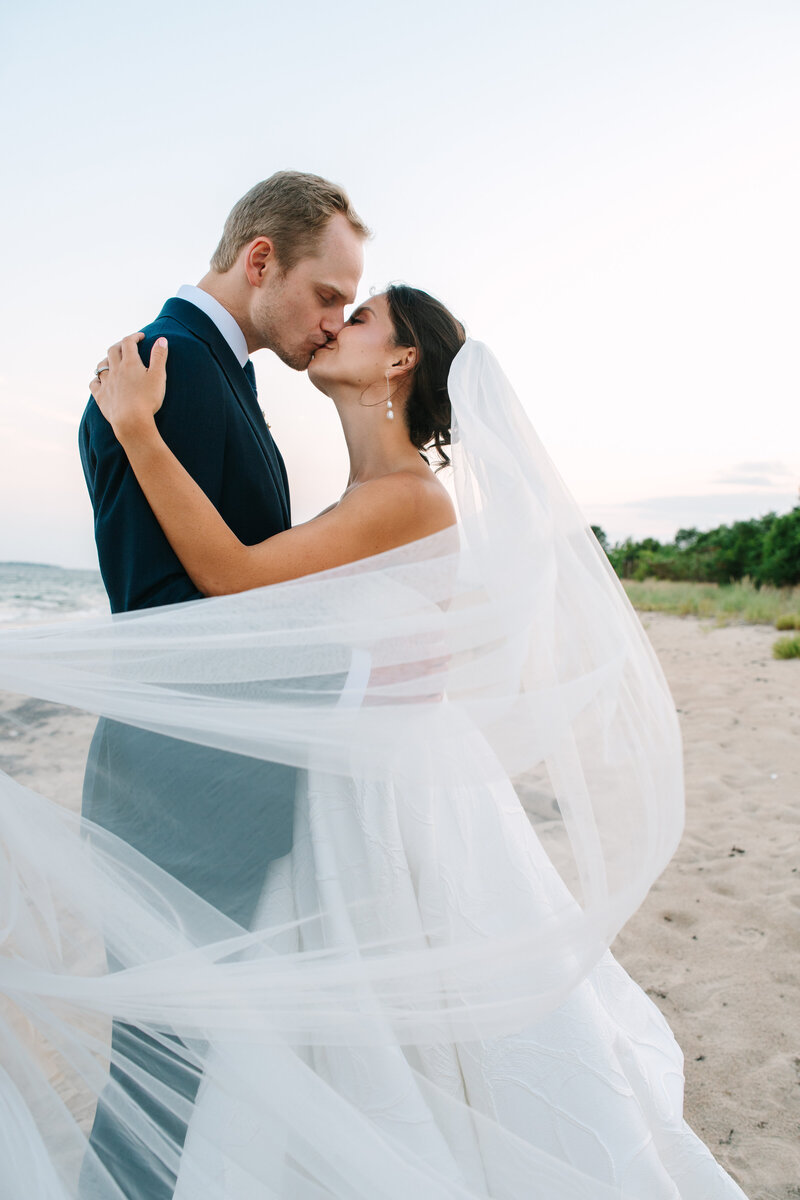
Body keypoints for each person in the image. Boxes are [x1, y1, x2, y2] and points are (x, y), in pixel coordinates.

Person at [66, 283, 749, 1199]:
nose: (329, 327)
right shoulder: (361, 498)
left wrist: (137, 432)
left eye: (356, 317)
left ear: (398, 362)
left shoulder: (404, 499)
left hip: (393, 799)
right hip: (355, 782)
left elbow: (231, 576)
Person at [76, 171, 369, 1199]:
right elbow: (194, 601)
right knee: (165, 1073)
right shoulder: (176, 371)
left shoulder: (214, 372)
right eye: (327, 294)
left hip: (204, 769)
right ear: (259, 261)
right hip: (187, 779)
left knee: (193, 1070)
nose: (333, 321)